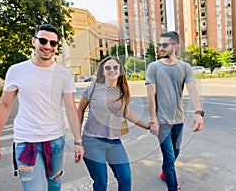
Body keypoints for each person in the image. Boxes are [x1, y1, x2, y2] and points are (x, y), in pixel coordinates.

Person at [0, 24, 84, 190]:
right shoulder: (16, 70)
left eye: (53, 43)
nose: (47, 46)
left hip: (55, 141)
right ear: (34, 41)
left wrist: (78, 141)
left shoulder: (63, 74)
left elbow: (70, 109)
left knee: (55, 183)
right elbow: (4, 106)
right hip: (26, 142)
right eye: (43, 40)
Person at [78, 56, 150, 191]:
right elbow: (80, 111)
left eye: (115, 67)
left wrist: (146, 125)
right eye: (108, 68)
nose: (112, 70)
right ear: (103, 71)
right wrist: (78, 140)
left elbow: (126, 113)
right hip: (92, 142)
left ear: (120, 70)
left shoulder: (123, 92)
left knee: (125, 179)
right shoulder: (93, 88)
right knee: (101, 183)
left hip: (114, 142)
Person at [145, 31, 204, 191]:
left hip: (179, 120)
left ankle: (165, 172)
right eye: (159, 44)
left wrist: (199, 113)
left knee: (176, 153)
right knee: (169, 158)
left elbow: (192, 90)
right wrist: (153, 120)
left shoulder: (185, 67)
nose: (161, 48)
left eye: (165, 45)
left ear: (175, 46)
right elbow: (151, 96)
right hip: (162, 122)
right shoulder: (153, 67)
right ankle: (172, 185)